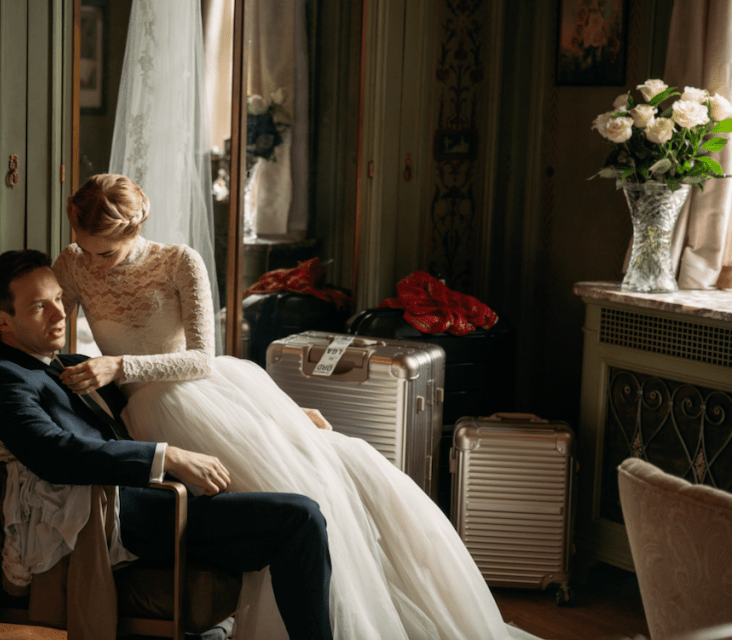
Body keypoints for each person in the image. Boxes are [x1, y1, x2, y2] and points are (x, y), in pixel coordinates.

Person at [50, 173, 543, 640]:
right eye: (86, 249)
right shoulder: (73, 262)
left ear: (136, 228)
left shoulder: (179, 261)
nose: (95, 263)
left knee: (311, 487)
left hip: (191, 392)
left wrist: (120, 366)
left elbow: (200, 358)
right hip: (140, 408)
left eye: (107, 253)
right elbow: (39, 317)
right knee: (271, 509)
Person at [0, 249, 334, 640]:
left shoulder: (70, 363)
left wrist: (287, 414)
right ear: (0, 321)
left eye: (59, 298)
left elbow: (168, 393)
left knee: (297, 498)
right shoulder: (4, 377)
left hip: (164, 501)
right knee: (300, 516)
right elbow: (52, 452)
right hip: (130, 514)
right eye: (39, 307)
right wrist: (167, 457)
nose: (61, 314)